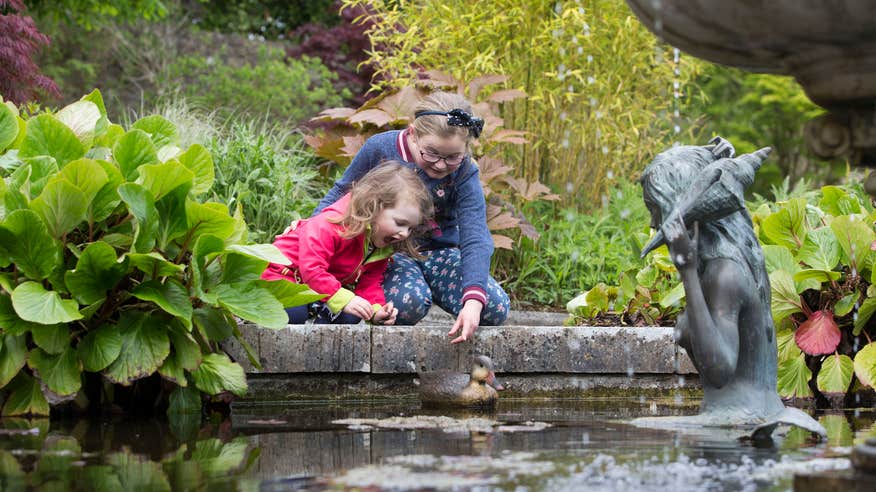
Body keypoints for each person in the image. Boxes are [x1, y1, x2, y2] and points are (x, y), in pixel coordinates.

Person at [637, 140, 825, 437]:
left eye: (655, 209)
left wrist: (686, 271)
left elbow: (720, 371)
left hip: (735, 429)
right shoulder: (733, 262)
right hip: (752, 422)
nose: (652, 222)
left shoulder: (723, 273)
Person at [313, 91, 511, 343]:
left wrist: (472, 299)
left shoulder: (464, 170)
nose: (440, 165)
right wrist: (308, 231)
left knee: (492, 307)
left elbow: (475, 234)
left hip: (441, 254)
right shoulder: (381, 149)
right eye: (432, 153)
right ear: (412, 134)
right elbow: (342, 192)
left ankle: (454, 296)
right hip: (390, 255)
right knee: (405, 306)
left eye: (452, 157)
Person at [263, 162, 433, 325]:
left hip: (316, 289)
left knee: (354, 313)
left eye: (410, 228)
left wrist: (375, 311)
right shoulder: (331, 225)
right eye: (400, 223)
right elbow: (312, 270)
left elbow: (370, 282)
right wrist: (343, 298)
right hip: (282, 277)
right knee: (293, 313)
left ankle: (324, 343)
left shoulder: (379, 244)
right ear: (373, 206)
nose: (404, 233)